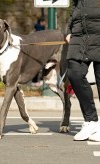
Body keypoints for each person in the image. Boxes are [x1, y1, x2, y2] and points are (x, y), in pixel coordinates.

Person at [65, 0, 100, 141]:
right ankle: (91, 121)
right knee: (74, 73)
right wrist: (69, 31)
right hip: (79, 37)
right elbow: (74, 7)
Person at [31, 17, 46, 87]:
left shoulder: (38, 29)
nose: (45, 23)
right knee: (41, 66)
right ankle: (38, 81)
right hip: (40, 51)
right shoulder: (40, 30)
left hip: (36, 51)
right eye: (44, 22)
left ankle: (35, 81)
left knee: (37, 66)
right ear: (41, 22)